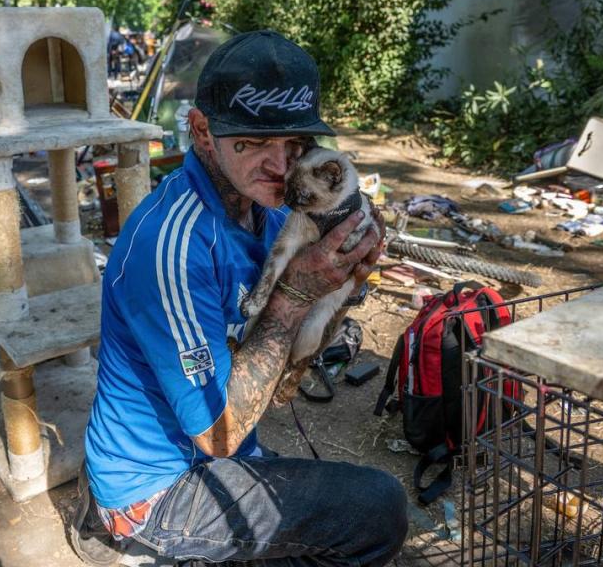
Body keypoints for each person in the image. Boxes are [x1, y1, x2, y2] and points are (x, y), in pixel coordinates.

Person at [71, 31, 408, 566]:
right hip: (157, 486)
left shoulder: (270, 211)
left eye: (294, 145)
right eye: (253, 142)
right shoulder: (172, 245)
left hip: (220, 453)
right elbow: (220, 434)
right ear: (202, 130)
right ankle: (127, 533)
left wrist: (345, 284)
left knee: (344, 510)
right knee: (377, 508)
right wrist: (297, 291)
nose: (280, 166)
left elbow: (277, 387)